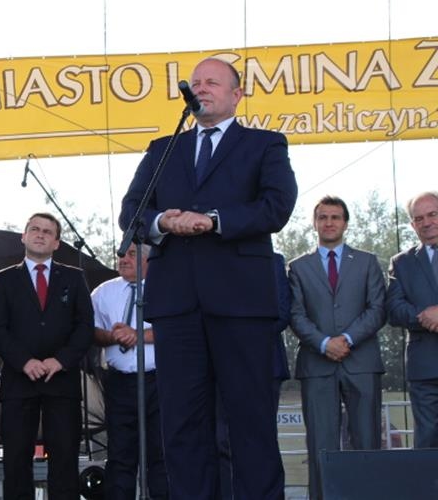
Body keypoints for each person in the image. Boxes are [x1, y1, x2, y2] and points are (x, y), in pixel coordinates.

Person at [119, 57, 297, 500]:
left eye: (212, 82)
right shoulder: (164, 149)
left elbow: (276, 207)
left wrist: (214, 220)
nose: (201, 88)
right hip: (177, 306)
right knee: (182, 424)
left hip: (241, 304)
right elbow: (132, 212)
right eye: (196, 82)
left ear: (237, 95)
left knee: (249, 421)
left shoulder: (264, 145)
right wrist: (162, 221)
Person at [0, 212, 94, 500]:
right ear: (23, 236)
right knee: (15, 460)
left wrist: (61, 360)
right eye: (34, 229)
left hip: (62, 382)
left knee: (65, 458)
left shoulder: (74, 277)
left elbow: (85, 326)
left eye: (48, 231)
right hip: (18, 382)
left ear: (57, 243)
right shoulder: (4, 279)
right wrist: (24, 361)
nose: (40, 234)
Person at [288, 195, 386, 500]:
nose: (329, 223)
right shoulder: (298, 267)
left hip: (362, 362)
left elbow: (377, 309)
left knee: (367, 442)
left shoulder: (368, 262)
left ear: (345, 223)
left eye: (335, 217)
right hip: (317, 365)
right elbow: (295, 314)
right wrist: (323, 343)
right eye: (323, 217)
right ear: (314, 223)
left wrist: (347, 339)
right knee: (321, 445)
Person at [90, 243, 167, 499]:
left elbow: (176, 330)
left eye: (132, 254)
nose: (123, 259)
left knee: (161, 453)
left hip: (159, 382)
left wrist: (138, 335)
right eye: (122, 254)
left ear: (148, 260)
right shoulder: (103, 292)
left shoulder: (165, 287)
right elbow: (91, 331)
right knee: (120, 454)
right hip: (119, 383)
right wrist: (113, 336)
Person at [217, 251, 291, 500]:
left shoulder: (273, 260)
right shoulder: (210, 262)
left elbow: (281, 313)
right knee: (221, 440)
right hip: (219, 364)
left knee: (261, 441)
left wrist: (239, 336)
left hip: (264, 364)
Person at [386, 190, 438, 448]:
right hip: (425, 367)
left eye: (433, 214)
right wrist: (426, 316)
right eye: (419, 218)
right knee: (427, 440)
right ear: (412, 225)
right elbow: (394, 310)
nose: (426, 222)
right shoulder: (401, 263)